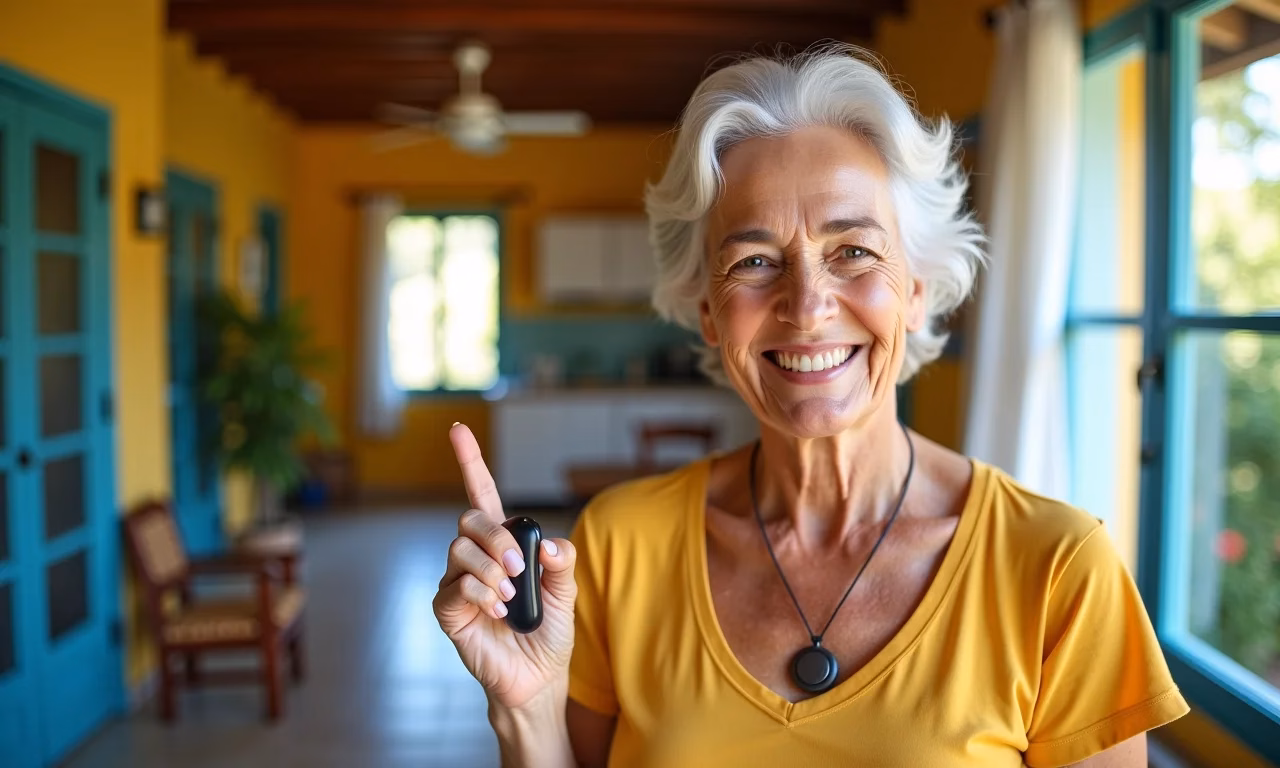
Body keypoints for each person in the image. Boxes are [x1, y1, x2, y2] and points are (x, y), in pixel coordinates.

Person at [434, 44, 1188, 767]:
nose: (806, 307)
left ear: (917, 293)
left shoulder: (1058, 569)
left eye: (853, 251)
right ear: (707, 312)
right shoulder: (617, 546)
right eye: (755, 261)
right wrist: (525, 710)